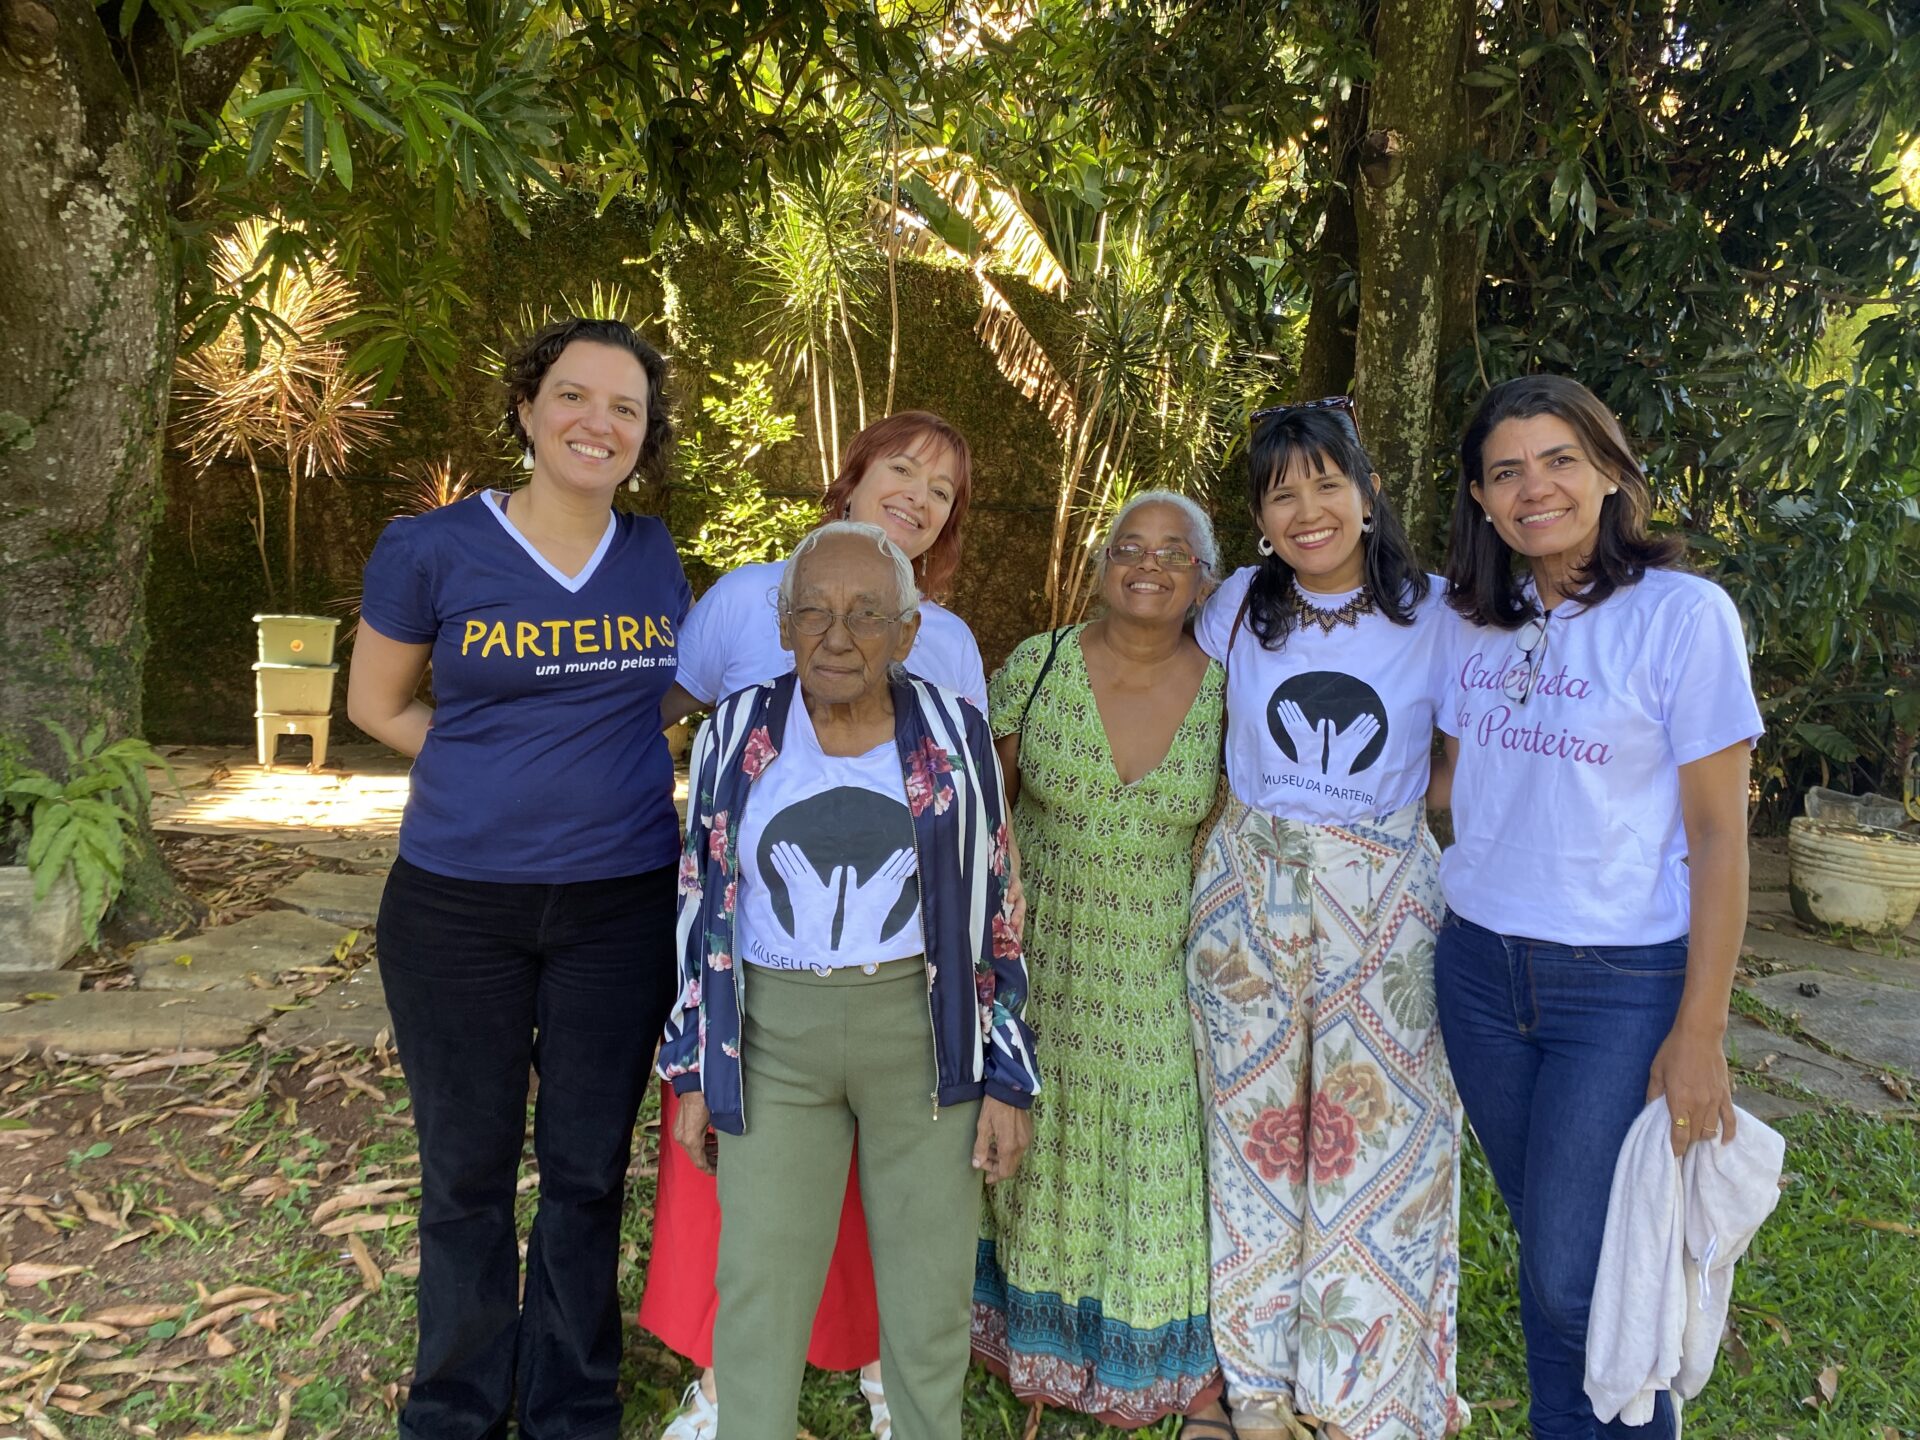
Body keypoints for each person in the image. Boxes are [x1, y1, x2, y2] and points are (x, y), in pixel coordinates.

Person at [346, 316, 688, 1440]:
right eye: (576, 397)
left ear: (646, 433)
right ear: (531, 408)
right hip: (458, 906)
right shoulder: (431, 546)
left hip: (622, 903)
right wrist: (497, 777)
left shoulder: (653, 554)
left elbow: (667, 695)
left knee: (587, 1169)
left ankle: (573, 1401)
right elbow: (378, 704)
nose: (600, 422)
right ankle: (454, 1402)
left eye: (626, 408)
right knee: (466, 1170)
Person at [641, 412, 986, 1440]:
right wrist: (699, 1060)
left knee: (926, 1294)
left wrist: (1001, 1069)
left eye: (869, 615)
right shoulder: (737, 728)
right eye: (817, 614)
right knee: (756, 1280)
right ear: (783, 620)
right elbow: (701, 900)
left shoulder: (953, 732)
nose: (840, 636)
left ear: (908, 631)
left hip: (917, 1027)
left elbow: (987, 903)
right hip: (773, 1028)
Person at [1432, 374, 1760, 1440]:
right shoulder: (1470, 620)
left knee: (1581, 1273)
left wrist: (1700, 1031)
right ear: (1481, 501)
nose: (1537, 488)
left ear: (1612, 472)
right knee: (1553, 1252)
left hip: (1619, 986)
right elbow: (1446, 778)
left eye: (1561, 460)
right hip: (1480, 971)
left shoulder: (1682, 617)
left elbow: (1719, 836)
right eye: (1507, 471)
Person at [1186, 399, 1462, 1440]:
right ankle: (1255, 1389)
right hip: (1250, 896)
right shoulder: (1237, 609)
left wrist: (1390, 840)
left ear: (1366, 490)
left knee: (1380, 1144)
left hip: (1387, 901)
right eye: (1281, 491)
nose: (1307, 509)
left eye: (1326, 482)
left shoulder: (1439, 611)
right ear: (1259, 515)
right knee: (1254, 1139)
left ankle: (1358, 1397)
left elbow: (1461, 761)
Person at [971, 492, 1229, 1430]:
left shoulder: (1233, 690)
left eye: (1174, 551)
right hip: (1039, 972)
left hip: (1156, 973)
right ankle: (1030, 1349)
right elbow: (981, 818)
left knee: (1150, 1159)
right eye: (1130, 546)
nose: (1148, 563)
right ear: (1100, 564)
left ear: (1205, 577)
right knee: (1034, 1158)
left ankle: (1164, 1369)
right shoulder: (1036, 668)